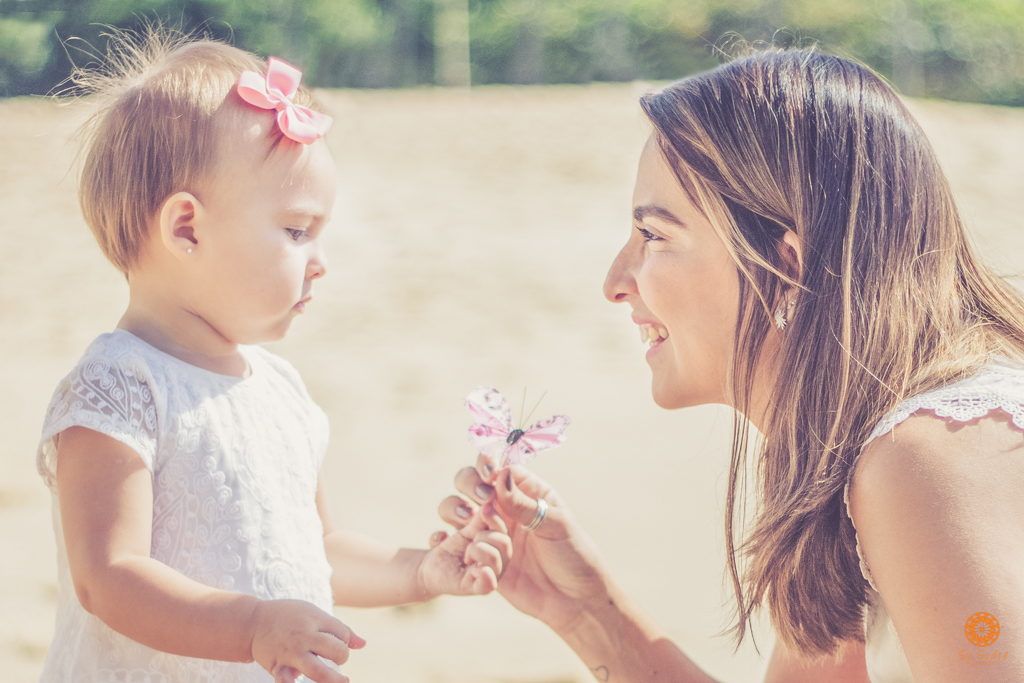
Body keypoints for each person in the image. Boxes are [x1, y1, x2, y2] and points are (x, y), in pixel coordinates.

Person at [436, 49, 1024, 683]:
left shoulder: (935, 456)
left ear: (787, 268)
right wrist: (587, 613)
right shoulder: (852, 456)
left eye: (655, 235)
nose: (615, 282)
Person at [36, 30, 511, 683]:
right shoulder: (120, 385)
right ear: (186, 228)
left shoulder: (279, 389)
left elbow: (315, 552)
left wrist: (419, 570)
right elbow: (109, 576)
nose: (320, 261)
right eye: (296, 230)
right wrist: (251, 626)